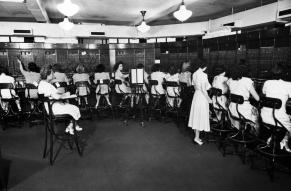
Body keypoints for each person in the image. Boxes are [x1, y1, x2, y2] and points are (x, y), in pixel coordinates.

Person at [38, 65, 82, 135]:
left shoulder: (42, 84)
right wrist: (66, 95)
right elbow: (57, 97)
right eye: (52, 73)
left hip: (50, 108)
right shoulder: (47, 85)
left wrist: (62, 94)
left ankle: (71, 126)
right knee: (75, 108)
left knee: (71, 107)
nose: (53, 75)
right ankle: (72, 125)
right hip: (54, 109)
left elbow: (53, 95)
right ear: (48, 75)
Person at [260, 64, 291, 152]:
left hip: (265, 117)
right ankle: (284, 140)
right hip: (279, 118)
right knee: (288, 119)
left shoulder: (267, 83)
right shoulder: (288, 85)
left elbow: (264, 93)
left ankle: (273, 138)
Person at [227, 65, 260, 132]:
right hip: (243, 110)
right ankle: (254, 134)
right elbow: (257, 98)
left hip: (232, 110)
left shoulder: (229, 80)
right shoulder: (247, 80)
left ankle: (240, 130)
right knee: (256, 111)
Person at [188, 60, 212, 145]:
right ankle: (196, 137)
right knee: (200, 116)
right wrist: (209, 99)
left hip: (196, 95)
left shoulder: (194, 74)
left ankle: (197, 136)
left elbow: (194, 86)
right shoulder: (203, 75)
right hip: (202, 96)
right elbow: (203, 89)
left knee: (196, 116)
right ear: (204, 66)